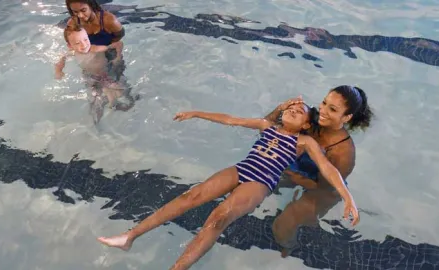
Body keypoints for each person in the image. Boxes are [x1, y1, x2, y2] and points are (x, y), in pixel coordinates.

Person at [97, 103, 360, 270]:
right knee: (192, 195)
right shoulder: (267, 125)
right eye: (291, 107)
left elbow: (327, 168)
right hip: (241, 169)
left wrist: (346, 196)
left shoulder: (304, 142)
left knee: (219, 217)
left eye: (300, 111)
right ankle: (130, 236)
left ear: (305, 124)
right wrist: (196, 112)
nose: (293, 109)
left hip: (261, 181)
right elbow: (230, 118)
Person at [264, 85, 373, 257]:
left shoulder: (343, 152)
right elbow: (267, 130)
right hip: (296, 169)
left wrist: (291, 173)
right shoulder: (310, 118)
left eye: (333, 109)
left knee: (283, 226)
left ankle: (290, 248)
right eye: (324, 102)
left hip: (325, 187)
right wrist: (281, 109)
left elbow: (324, 187)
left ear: (346, 117)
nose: (322, 110)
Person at [55, 24, 130, 124]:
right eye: (77, 43)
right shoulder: (72, 53)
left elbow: (118, 44)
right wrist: (59, 71)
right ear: (70, 46)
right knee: (95, 101)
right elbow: (60, 60)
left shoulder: (96, 49)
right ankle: (96, 122)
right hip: (90, 77)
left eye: (86, 39)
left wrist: (118, 57)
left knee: (119, 92)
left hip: (105, 74)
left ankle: (120, 105)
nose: (84, 45)